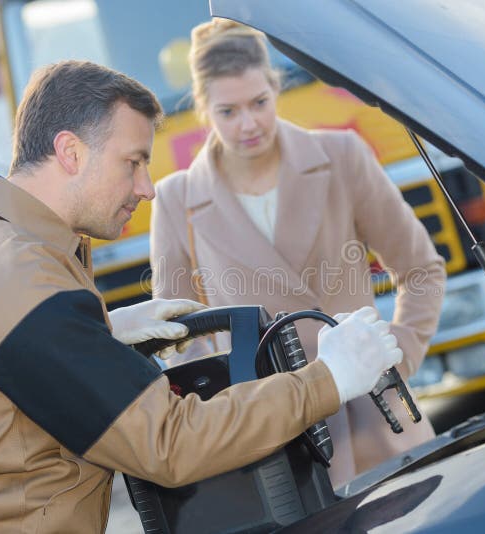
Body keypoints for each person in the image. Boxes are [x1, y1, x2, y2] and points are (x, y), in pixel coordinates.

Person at [0, 60, 405, 532]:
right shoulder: (19, 277)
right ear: (70, 152)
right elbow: (168, 443)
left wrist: (100, 331)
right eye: (132, 162)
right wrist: (329, 379)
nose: (148, 187)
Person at [150, 19, 446, 488]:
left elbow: (420, 268)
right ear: (204, 109)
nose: (248, 124)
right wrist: (229, 411)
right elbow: (178, 337)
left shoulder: (342, 155)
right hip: (273, 439)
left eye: (259, 103)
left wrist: (396, 358)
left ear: (275, 87)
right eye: (228, 111)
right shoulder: (175, 198)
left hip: (374, 418)